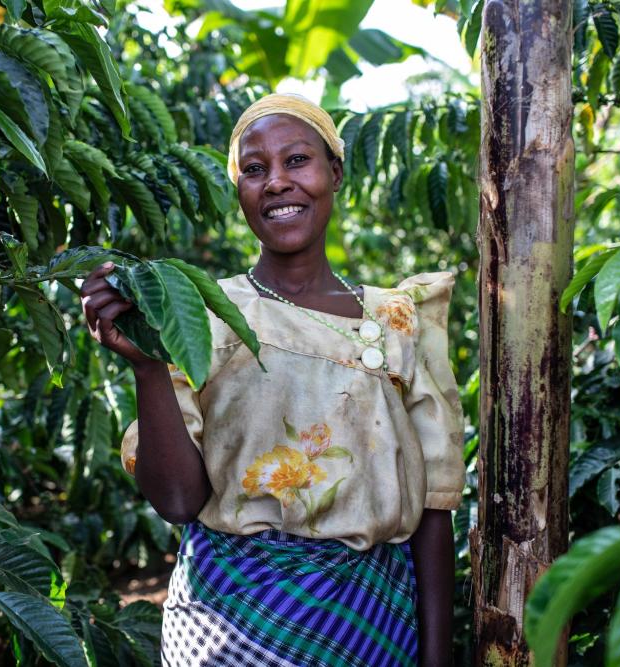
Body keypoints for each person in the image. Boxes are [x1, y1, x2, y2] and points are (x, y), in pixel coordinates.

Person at [80, 93, 465, 667]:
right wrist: (148, 365)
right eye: (254, 169)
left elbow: (434, 510)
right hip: (228, 630)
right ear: (239, 191)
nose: (277, 182)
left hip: (369, 625)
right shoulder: (202, 317)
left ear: (334, 172)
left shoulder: (397, 323)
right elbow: (180, 500)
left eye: (297, 161)